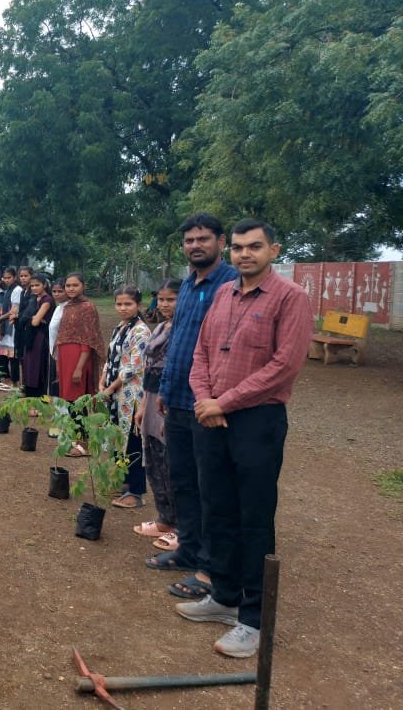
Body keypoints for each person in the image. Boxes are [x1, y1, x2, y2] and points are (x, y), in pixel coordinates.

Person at [176, 219, 310, 658]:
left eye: (254, 246)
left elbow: (284, 366)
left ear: (274, 250)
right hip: (211, 417)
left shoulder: (290, 298)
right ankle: (224, 595)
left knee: (253, 517)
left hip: (256, 421)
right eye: (237, 247)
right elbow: (201, 351)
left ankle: (253, 618)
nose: (244, 254)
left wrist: (224, 402)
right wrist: (204, 398)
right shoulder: (222, 293)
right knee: (217, 508)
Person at [148, 213, 237, 603]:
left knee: (211, 487)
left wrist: (216, 399)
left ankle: (210, 566)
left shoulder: (231, 284)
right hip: (178, 398)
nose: (195, 245)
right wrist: (166, 388)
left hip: (208, 402)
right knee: (182, 478)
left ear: (221, 242)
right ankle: (187, 548)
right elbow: (179, 340)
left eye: (203, 239)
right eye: (189, 240)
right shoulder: (186, 285)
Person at [132, 279, 182, 548]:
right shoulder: (161, 327)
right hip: (152, 396)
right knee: (153, 458)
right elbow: (148, 367)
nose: (164, 304)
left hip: (171, 400)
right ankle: (165, 518)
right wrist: (142, 404)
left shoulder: (186, 331)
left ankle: (183, 526)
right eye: (161, 299)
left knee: (174, 463)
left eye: (170, 299)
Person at [99, 285, 151, 509]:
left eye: (128, 304)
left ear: (138, 305)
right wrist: (102, 381)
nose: (123, 308)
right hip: (115, 392)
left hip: (132, 395)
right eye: (119, 304)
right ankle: (124, 481)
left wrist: (110, 387)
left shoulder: (141, 332)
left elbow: (133, 367)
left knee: (133, 441)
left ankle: (136, 492)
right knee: (119, 439)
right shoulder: (120, 327)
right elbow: (110, 358)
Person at [56, 273, 103, 452]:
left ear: (83, 286)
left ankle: (83, 442)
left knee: (77, 401)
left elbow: (88, 340)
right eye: (68, 285)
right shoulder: (67, 306)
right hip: (65, 358)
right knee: (69, 401)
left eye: (75, 285)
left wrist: (79, 368)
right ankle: (75, 438)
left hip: (78, 359)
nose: (71, 288)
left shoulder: (87, 307)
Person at [19, 274, 54, 398]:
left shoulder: (47, 300)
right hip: (30, 336)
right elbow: (26, 318)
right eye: (32, 286)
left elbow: (34, 322)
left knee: (37, 366)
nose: (34, 288)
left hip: (40, 337)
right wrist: (31, 318)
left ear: (44, 285)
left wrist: (30, 318)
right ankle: (29, 394)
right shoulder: (33, 298)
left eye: (37, 285)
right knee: (28, 365)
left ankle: (39, 398)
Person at [0, 267, 21, 390]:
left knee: (12, 355)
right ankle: (6, 379)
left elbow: (14, 310)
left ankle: (14, 382)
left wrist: (1, 318)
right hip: (5, 324)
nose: (6, 280)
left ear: (15, 277)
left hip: (12, 326)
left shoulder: (17, 290)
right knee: (0, 353)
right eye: (4, 278)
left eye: (9, 277)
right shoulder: (8, 289)